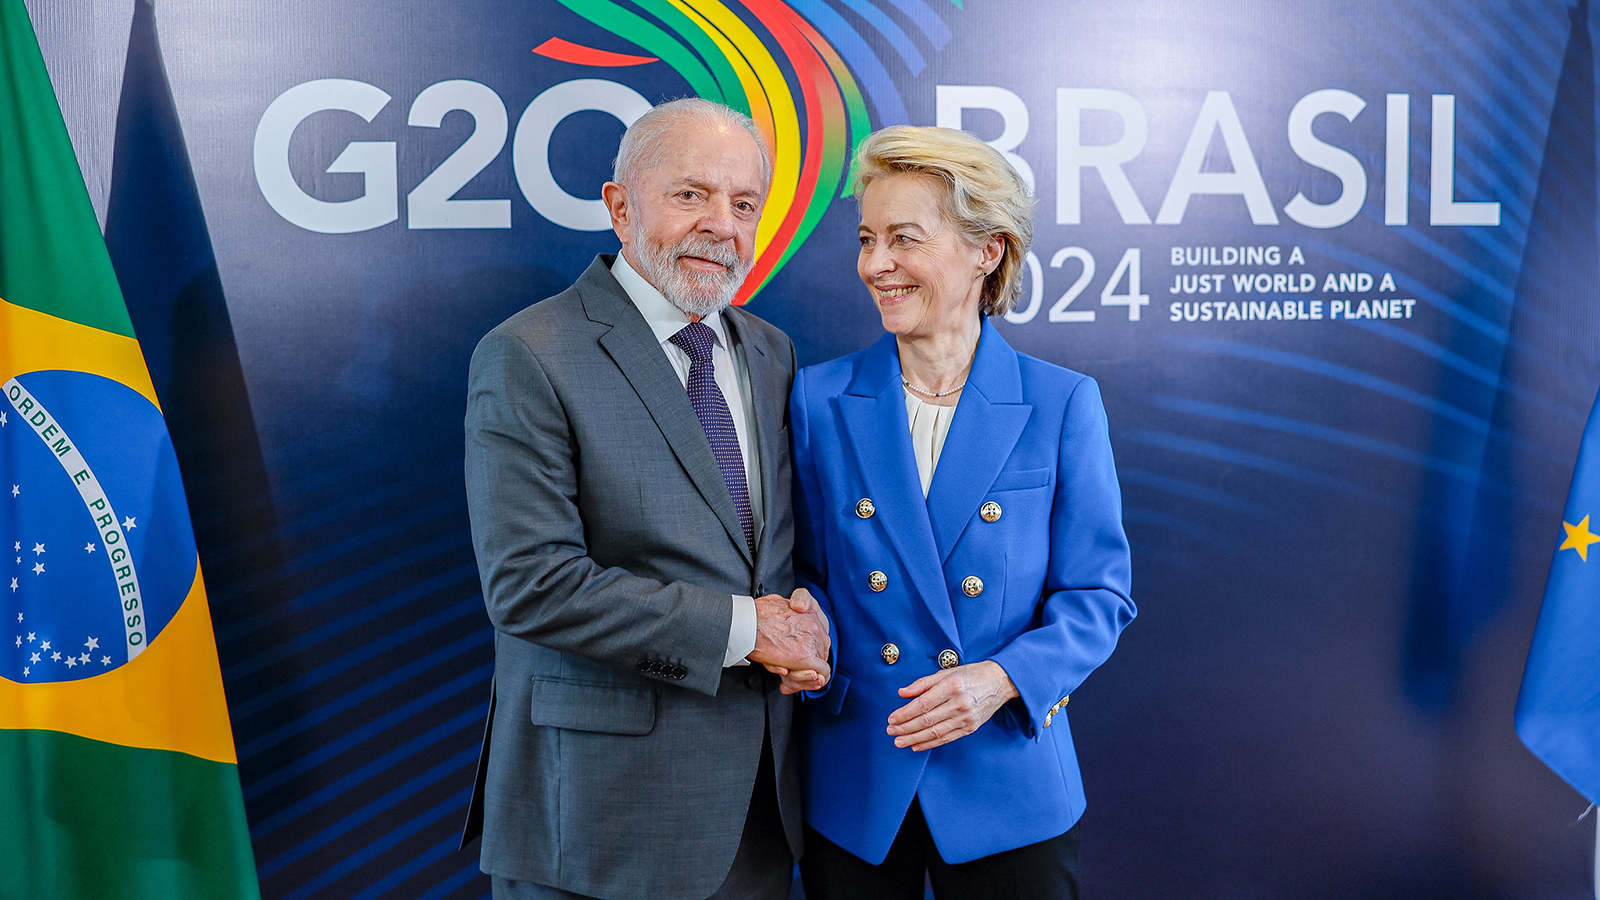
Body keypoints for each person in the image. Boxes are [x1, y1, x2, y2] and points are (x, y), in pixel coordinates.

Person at [462, 97, 831, 900]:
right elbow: (529, 584)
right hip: (598, 824)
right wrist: (747, 629)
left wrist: (805, 624)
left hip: (755, 820)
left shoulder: (770, 351)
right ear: (620, 207)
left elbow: (771, 551)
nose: (721, 226)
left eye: (743, 205)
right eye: (691, 195)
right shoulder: (530, 353)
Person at [789, 125, 1136, 899]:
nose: (875, 265)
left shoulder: (1060, 403)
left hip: (1007, 779)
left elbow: (1099, 596)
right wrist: (805, 628)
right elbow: (806, 569)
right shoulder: (818, 398)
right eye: (868, 239)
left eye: (904, 239)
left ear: (988, 250)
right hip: (860, 777)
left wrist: (1001, 680)